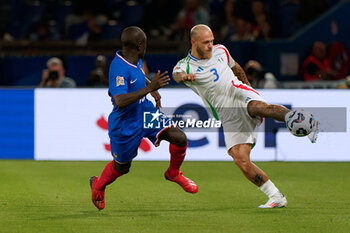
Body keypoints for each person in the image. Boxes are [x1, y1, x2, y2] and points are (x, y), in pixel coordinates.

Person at [172, 24, 318, 208]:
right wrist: (184, 77)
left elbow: (237, 69)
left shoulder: (221, 51)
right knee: (241, 159)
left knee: (258, 107)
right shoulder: (185, 65)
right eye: (206, 42)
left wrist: (249, 88)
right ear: (193, 42)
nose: (211, 45)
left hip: (239, 92)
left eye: (212, 41)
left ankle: (305, 122)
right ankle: (276, 196)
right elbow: (176, 75)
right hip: (226, 112)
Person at [89, 26, 198, 211]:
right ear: (140, 45)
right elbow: (120, 100)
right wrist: (150, 88)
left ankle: (173, 173)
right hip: (125, 123)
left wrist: (151, 87)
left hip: (144, 111)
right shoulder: (118, 68)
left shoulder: (134, 58)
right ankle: (98, 186)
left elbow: (138, 75)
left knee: (179, 138)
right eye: (145, 42)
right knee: (122, 167)